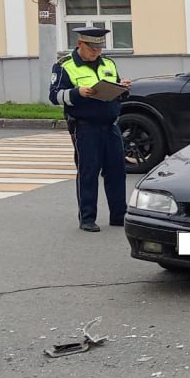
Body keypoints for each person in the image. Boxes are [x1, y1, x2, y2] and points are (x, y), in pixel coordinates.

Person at [49, 27, 132, 232]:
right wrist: (78, 93)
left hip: (111, 125)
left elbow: (116, 91)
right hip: (85, 127)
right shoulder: (65, 66)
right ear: (80, 44)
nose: (96, 52)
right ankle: (87, 217)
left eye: (99, 48)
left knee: (116, 172)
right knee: (88, 172)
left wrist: (123, 88)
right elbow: (54, 96)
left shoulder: (108, 63)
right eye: (92, 48)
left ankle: (118, 214)